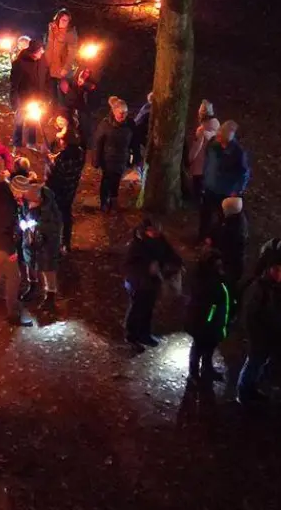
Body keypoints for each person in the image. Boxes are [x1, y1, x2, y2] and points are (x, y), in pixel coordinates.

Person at [237, 239, 281, 402]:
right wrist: (257, 337)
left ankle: (253, 388)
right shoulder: (259, 288)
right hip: (260, 337)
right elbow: (251, 316)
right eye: (276, 270)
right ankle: (243, 392)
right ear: (269, 268)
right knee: (253, 364)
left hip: (273, 336)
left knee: (259, 364)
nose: (280, 274)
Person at [123, 217, 182, 348]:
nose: (156, 232)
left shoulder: (159, 240)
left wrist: (177, 263)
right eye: (152, 230)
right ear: (145, 230)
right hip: (138, 283)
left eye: (157, 230)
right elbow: (130, 266)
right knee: (137, 308)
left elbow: (169, 253)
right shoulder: (137, 245)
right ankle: (131, 335)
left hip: (152, 282)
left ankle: (144, 334)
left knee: (148, 308)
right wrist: (146, 269)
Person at [0, 171, 32, 327]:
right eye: (23, 193)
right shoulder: (8, 207)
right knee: (14, 277)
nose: (24, 197)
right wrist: (11, 251)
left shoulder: (1, 194)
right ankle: (13, 313)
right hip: (3, 245)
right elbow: (3, 231)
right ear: (17, 191)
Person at [184, 252, 232, 383]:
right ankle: (193, 373)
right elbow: (203, 303)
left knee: (210, 346)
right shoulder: (202, 280)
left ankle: (207, 369)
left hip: (215, 321)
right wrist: (208, 320)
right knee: (198, 347)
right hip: (202, 322)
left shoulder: (218, 277)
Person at [200, 121, 251, 240]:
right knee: (205, 215)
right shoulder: (213, 145)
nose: (217, 138)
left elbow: (243, 174)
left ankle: (218, 241)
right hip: (210, 187)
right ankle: (202, 236)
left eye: (220, 137)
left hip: (225, 192)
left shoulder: (238, 153)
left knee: (222, 218)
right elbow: (208, 160)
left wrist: (237, 191)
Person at [20, 172, 63, 309]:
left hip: (47, 243)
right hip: (30, 240)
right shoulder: (27, 201)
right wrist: (22, 223)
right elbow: (21, 214)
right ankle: (32, 286)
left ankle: (50, 295)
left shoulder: (49, 208)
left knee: (48, 268)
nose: (29, 204)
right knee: (30, 263)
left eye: (32, 202)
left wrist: (37, 225)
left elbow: (55, 226)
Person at [47, 117, 85, 253]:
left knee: (56, 216)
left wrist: (51, 162)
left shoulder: (62, 158)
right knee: (67, 214)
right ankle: (66, 242)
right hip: (71, 189)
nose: (60, 142)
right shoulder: (80, 153)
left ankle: (56, 242)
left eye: (62, 140)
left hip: (59, 191)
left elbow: (53, 176)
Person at [92, 97, 133, 212]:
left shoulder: (129, 125)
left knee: (117, 179)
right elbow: (98, 142)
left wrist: (134, 157)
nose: (122, 115)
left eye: (125, 113)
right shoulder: (105, 125)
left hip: (122, 158)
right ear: (114, 112)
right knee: (107, 180)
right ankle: (104, 202)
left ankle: (113, 200)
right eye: (120, 113)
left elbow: (134, 142)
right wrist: (96, 160)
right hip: (108, 158)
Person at [10, 37, 47, 148]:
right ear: (34, 52)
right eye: (41, 50)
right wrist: (14, 102)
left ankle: (31, 143)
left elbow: (44, 77)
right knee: (20, 120)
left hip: (37, 98)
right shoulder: (19, 63)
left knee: (33, 120)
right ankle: (17, 143)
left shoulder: (41, 61)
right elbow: (14, 84)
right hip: (23, 98)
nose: (43, 52)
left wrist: (44, 95)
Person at [209, 197, 248, 290]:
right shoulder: (235, 219)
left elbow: (226, 243)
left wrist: (214, 244)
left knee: (228, 282)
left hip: (231, 261)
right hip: (231, 259)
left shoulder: (235, 229)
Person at [44, 9, 80, 105]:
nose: (65, 22)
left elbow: (72, 52)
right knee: (50, 97)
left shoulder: (70, 33)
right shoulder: (52, 29)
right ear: (58, 19)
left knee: (62, 97)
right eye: (63, 20)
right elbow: (48, 46)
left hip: (62, 68)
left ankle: (64, 116)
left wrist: (66, 68)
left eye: (67, 20)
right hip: (49, 67)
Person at [184, 115, 219, 200]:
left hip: (199, 165)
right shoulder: (217, 128)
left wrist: (189, 159)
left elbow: (197, 147)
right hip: (210, 164)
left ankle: (198, 201)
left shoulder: (201, 131)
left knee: (197, 185)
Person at [63, 66, 99, 147]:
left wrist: (84, 84)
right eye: (84, 71)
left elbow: (92, 88)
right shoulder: (74, 78)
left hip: (84, 109)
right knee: (71, 127)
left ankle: (83, 145)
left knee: (84, 128)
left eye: (88, 72)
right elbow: (66, 80)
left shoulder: (90, 83)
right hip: (72, 107)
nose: (85, 74)